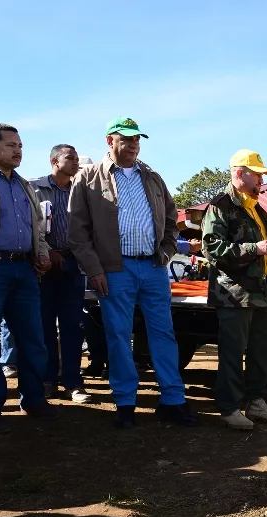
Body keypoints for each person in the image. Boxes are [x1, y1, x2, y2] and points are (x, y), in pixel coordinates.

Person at [68, 116, 198, 428]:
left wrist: (166, 250)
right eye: (126, 139)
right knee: (118, 335)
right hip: (114, 270)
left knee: (164, 333)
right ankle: (125, 402)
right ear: (109, 140)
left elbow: (170, 216)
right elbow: (78, 233)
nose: (133, 145)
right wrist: (95, 269)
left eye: (137, 140)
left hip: (153, 267)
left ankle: (172, 400)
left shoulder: (151, 176)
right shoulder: (88, 178)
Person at [0, 123, 60, 432]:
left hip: (24, 270)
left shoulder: (23, 185)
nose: (18, 150)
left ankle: (34, 400)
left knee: (34, 339)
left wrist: (42, 252)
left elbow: (36, 227)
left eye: (20, 145)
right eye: (10, 145)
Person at [200, 149, 267, 430]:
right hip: (233, 294)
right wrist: (253, 249)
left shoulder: (256, 208)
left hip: (260, 293)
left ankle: (257, 403)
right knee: (233, 353)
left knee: (262, 351)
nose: (261, 179)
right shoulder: (220, 206)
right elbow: (212, 249)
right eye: (256, 174)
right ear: (238, 173)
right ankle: (229, 408)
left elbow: (263, 249)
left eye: (261, 175)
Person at [30, 144, 92, 403]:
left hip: (74, 265)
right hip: (43, 265)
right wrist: (46, 252)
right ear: (54, 161)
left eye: (77, 158)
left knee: (72, 325)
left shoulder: (83, 191)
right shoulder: (34, 187)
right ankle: (47, 380)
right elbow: (29, 224)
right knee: (43, 325)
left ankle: (73, 382)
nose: (76, 162)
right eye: (70, 158)